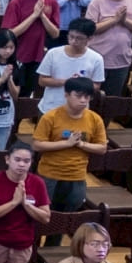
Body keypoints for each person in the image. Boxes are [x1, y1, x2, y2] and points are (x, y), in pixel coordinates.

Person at [33, 77, 107, 215]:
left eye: (87, 97)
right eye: (78, 96)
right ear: (66, 95)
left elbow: (102, 148)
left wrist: (81, 144)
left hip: (76, 175)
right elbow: (37, 145)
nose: (83, 100)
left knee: (66, 218)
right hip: (50, 174)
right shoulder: (51, 117)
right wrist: (66, 143)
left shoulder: (95, 119)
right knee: (41, 215)